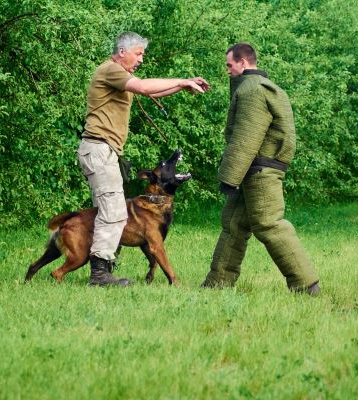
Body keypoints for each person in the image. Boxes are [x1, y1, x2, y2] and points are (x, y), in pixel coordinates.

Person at [78, 31, 209, 287]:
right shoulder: (111, 70)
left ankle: (104, 268)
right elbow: (142, 86)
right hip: (99, 150)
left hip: (104, 152)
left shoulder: (118, 74)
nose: (140, 60)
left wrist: (183, 85)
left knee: (108, 211)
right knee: (114, 212)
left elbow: (151, 93)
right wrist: (182, 79)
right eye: (139, 54)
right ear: (122, 51)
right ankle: (100, 274)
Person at [201, 43, 320, 295]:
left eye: (229, 65)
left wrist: (228, 177)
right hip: (254, 168)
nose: (227, 70)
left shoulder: (252, 90)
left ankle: (306, 285)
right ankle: (217, 284)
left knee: (268, 223)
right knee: (233, 224)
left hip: (258, 170)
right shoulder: (262, 88)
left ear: (243, 63)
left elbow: (246, 137)